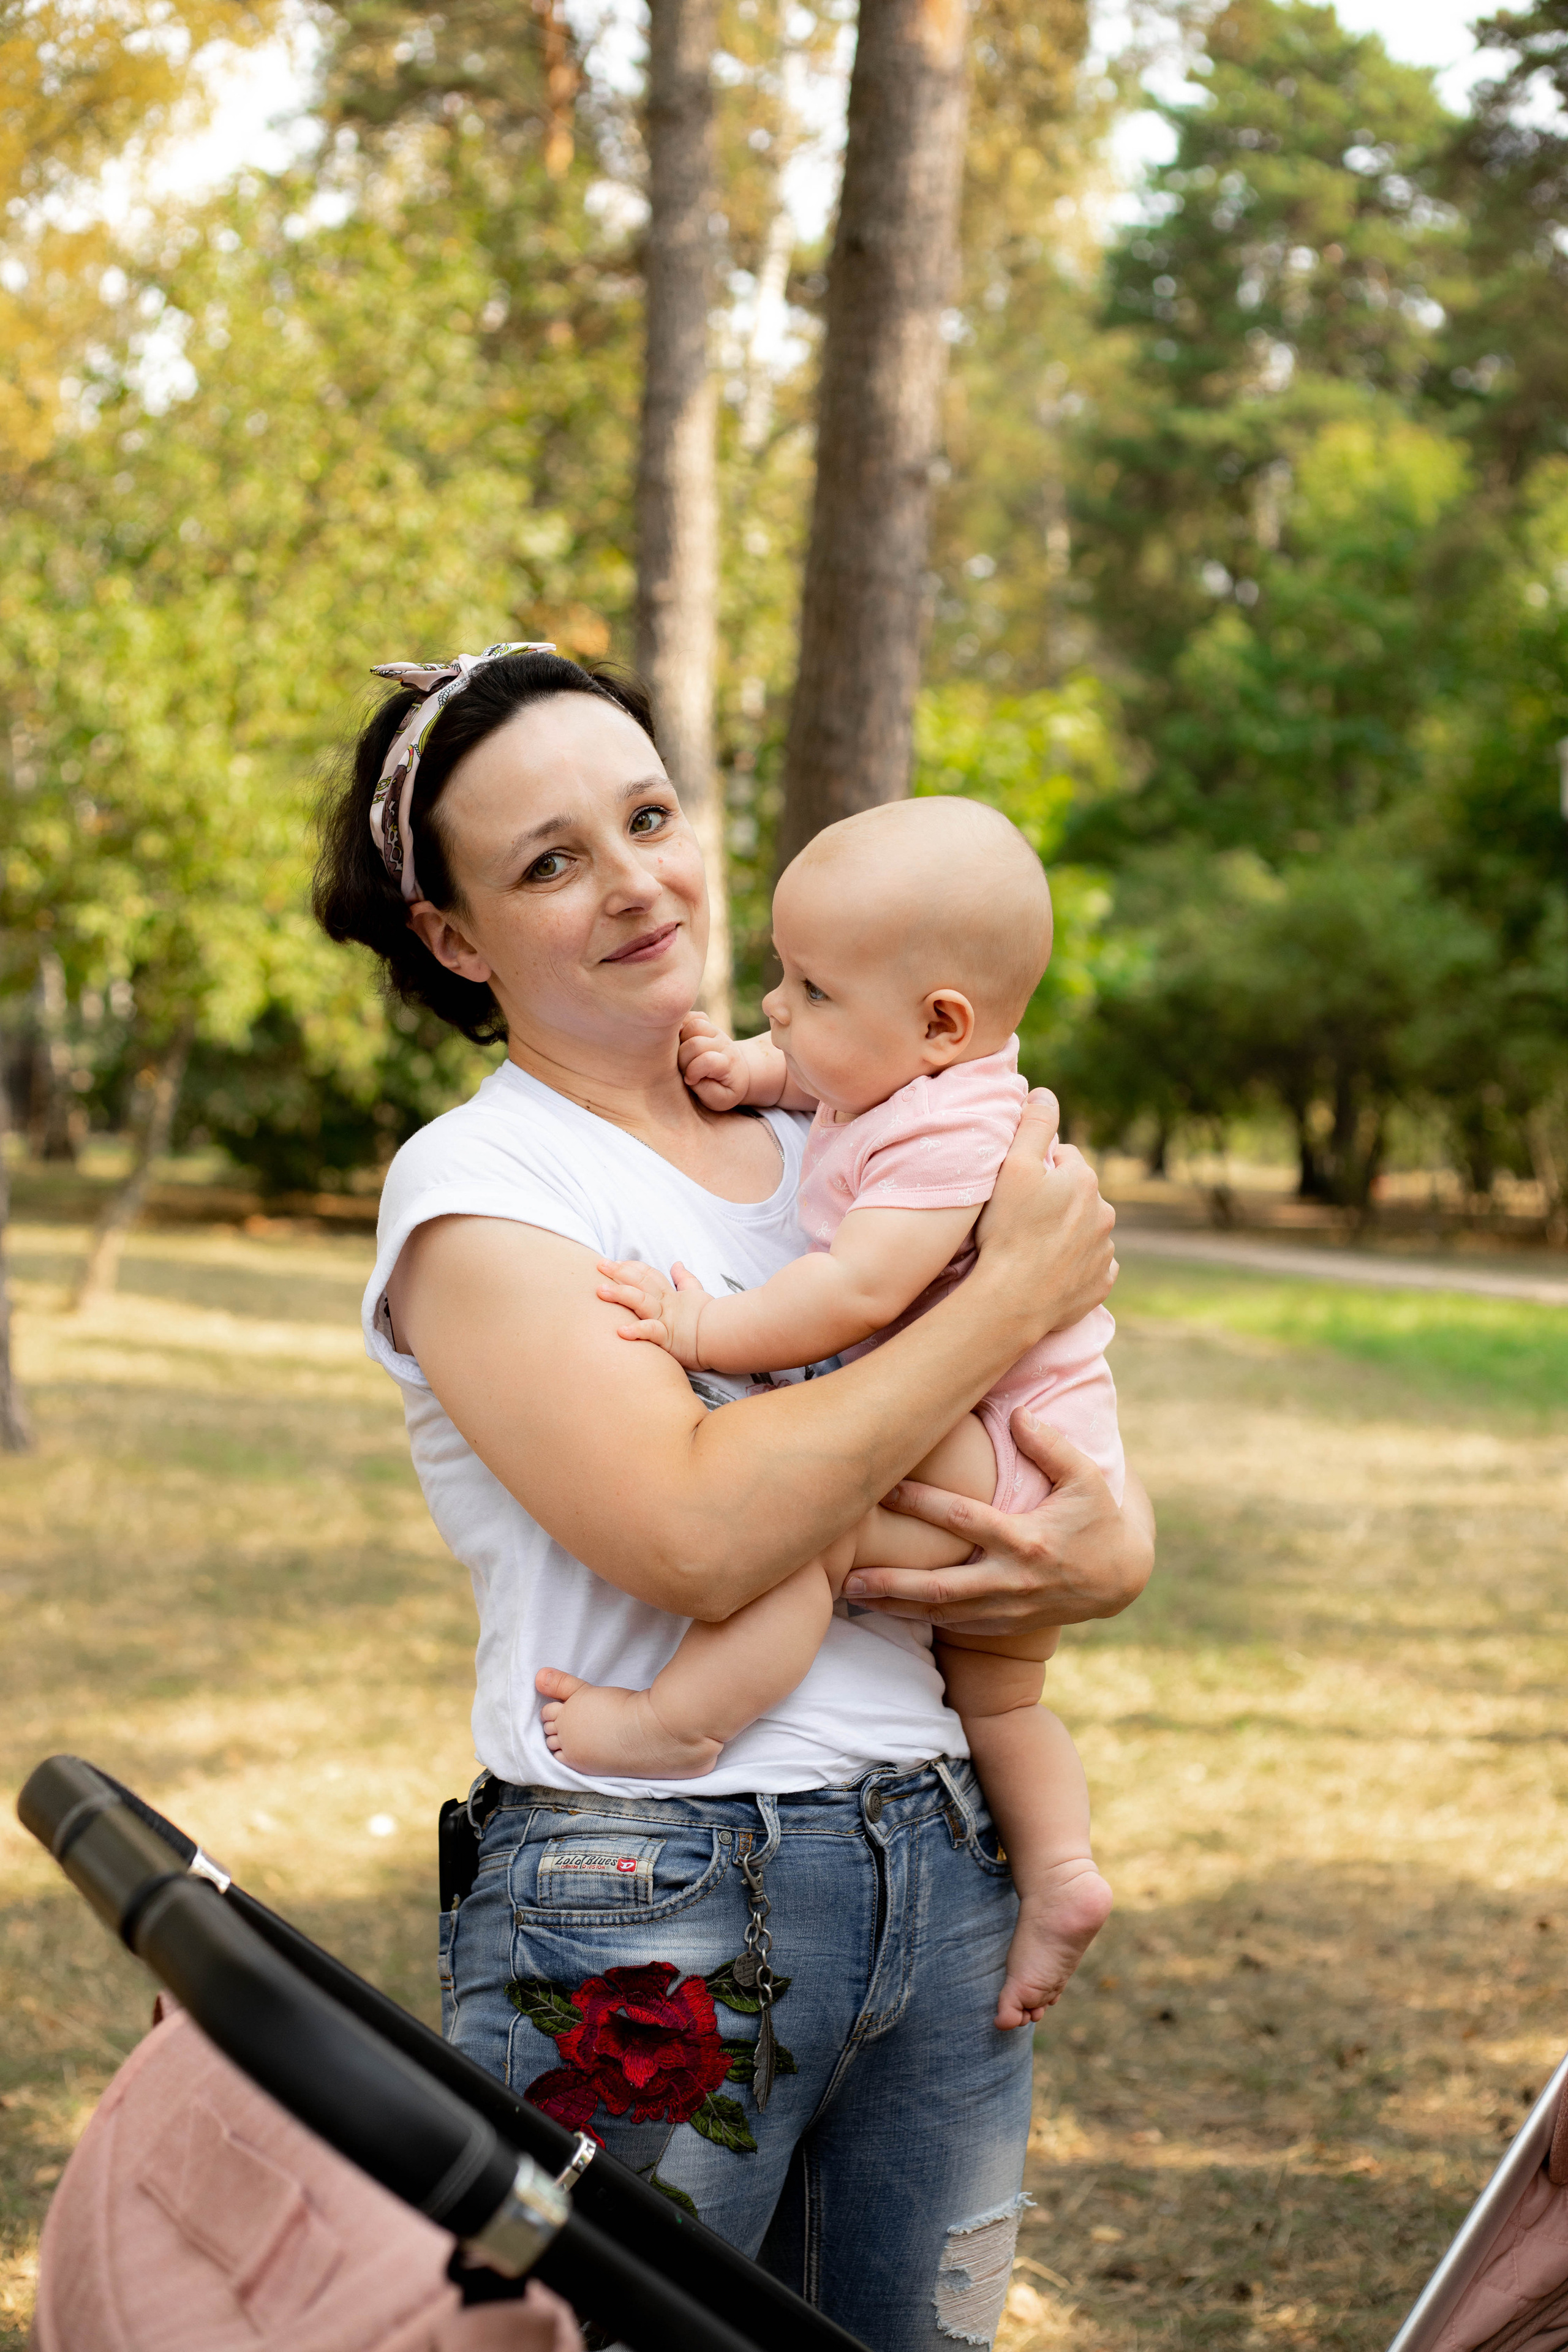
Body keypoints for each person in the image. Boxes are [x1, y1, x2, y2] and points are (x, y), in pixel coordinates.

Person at [314, 643, 1155, 2352]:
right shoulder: (484, 1187)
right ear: (456, 940)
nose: (635, 882)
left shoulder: (851, 1124)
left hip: (948, 1857)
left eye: (648, 814)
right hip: (650, 1895)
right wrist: (1010, 1291)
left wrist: (1108, 1549)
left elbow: (1072, 1512)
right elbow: (698, 1533)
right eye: (549, 861)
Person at [537, 796, 1118, 2034]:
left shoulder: (955, 1139)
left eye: (809, 990)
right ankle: (1060, 1869)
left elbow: (852, 1289)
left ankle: (675, 1724)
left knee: (819, 1524)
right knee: (1004, 1701)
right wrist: (757, 1076)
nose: (775, 1011)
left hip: (1000, 1451)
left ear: (938, 1024)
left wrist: (694, 1329)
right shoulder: (907, 1084)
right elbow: (824, 1091)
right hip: (1023, 1452)